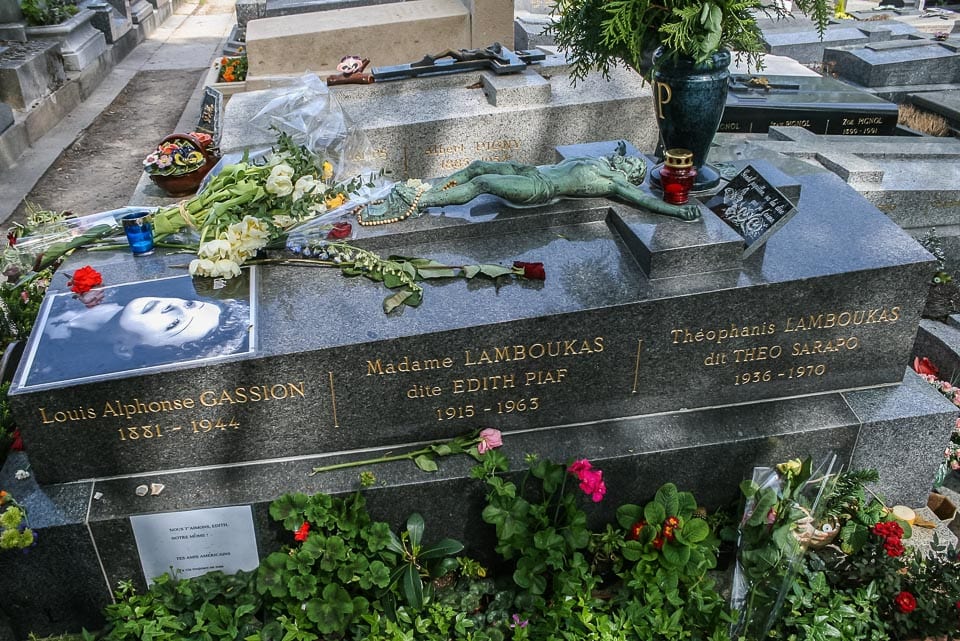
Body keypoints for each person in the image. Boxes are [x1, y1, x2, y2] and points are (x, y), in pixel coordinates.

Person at [358, 144, 702, 225]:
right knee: (479, 164)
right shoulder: (599, 161)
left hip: (539, 190)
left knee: (482, 183)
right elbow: (619, 150)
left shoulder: (614, 181)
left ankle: (421, 201)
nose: (627, 160)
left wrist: (678, 210)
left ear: (630, 174)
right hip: (531, 171)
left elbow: (645, 202)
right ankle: (428, 188)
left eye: (632, 165)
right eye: (630, 158)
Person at [26, 288, 250, 386]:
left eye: (175, 323)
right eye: (190, 304)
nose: (174, 306)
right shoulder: (104, 289)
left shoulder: (49, 363)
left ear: (124, 349)